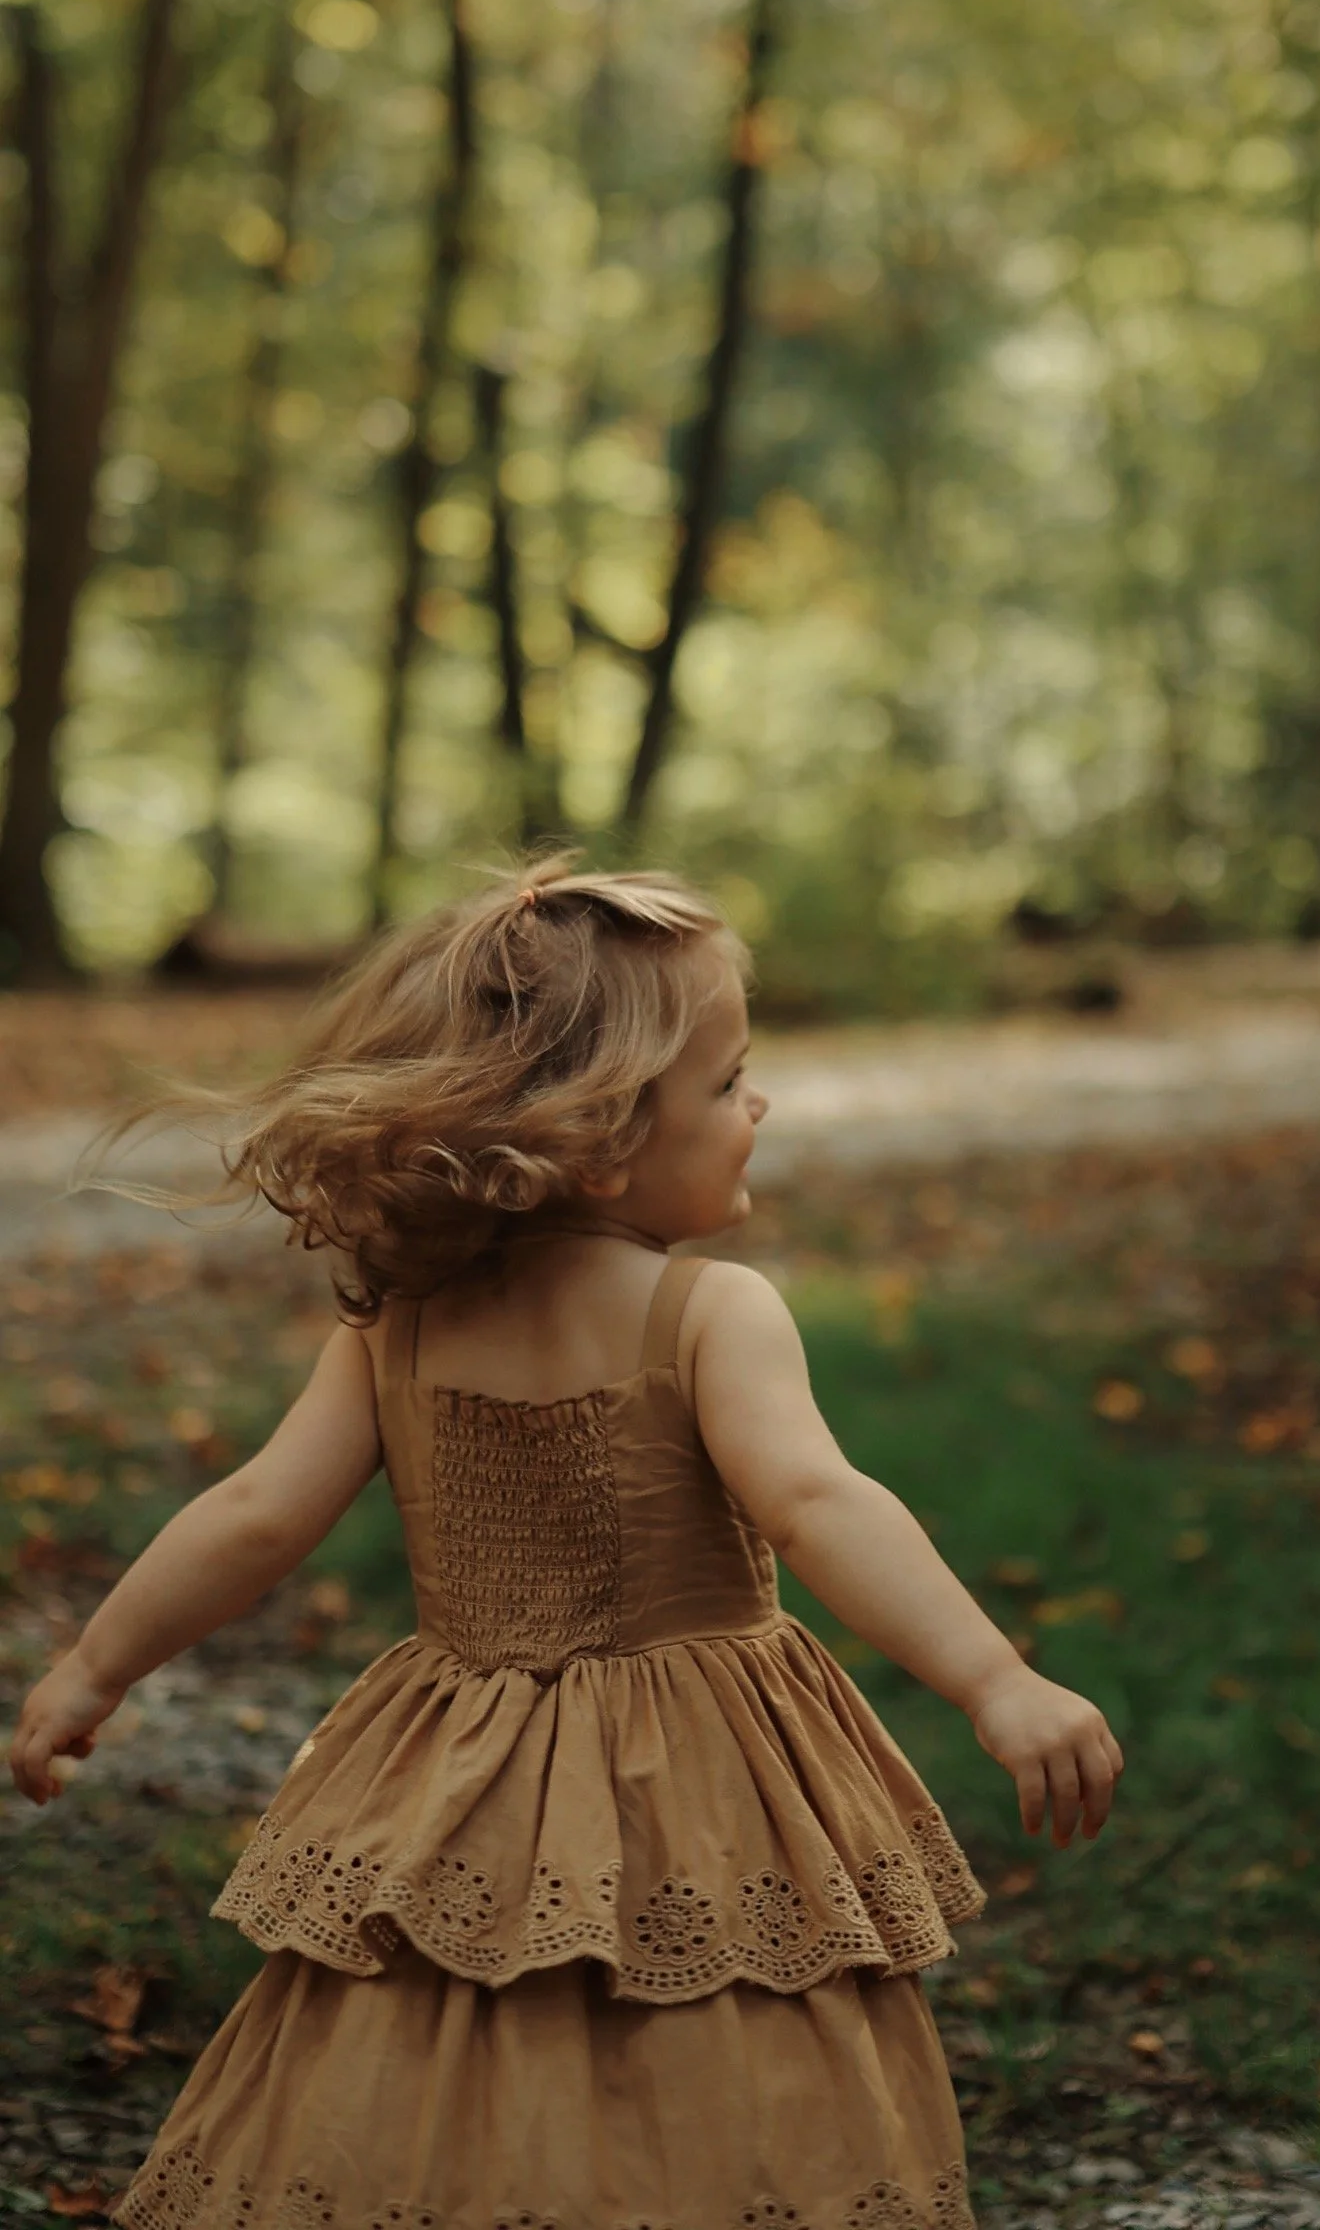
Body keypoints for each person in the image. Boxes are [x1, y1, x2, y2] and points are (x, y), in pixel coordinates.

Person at [8, 854, 1124, 2230]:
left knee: (445, 2011)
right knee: (720, 2015)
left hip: (458, 1765)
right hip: (699, 1766)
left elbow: (253, 1515)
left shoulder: (395, 1327)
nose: (755, 1106)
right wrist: (997, 1680)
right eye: (724, 1087)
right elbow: (819, 1503)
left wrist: (92, 1672)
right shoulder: (712, 1314)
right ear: (600, 1137)